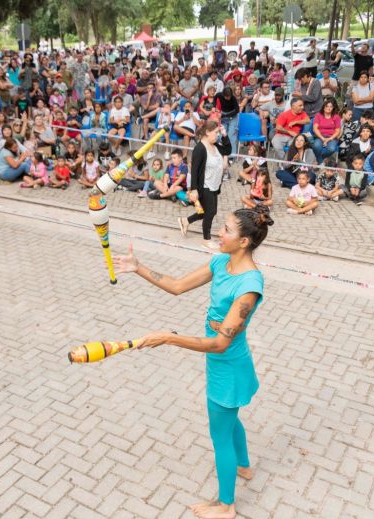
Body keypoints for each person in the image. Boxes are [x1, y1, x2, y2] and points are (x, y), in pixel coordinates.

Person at [114, 205, 273, 519]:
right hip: (221, 364)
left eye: (226, 229)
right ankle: (244, 467)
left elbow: (219, 343)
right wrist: (138, 267)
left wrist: (169, 338)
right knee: (231, 419)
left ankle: (226, 505)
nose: (219, 233)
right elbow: (176, 285)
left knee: (220, 434)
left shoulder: (249, 287)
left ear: (244, 242)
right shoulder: (220, 261)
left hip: (228, 366)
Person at [177, 121, 222, 250]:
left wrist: (225, 135)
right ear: (207, 132)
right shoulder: (199, 148)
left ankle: (185, 221)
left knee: (208, 212)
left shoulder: (215, 145)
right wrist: (194, 189)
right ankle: (206, 239)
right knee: (210, 212)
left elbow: (228, 150)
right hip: (204, 186)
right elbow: (195, 170)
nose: (217, 135)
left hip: (214, 185)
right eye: (216, 132)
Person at [311, 98, 342, 163]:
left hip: (332, 137)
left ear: (333, 108)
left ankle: (320, 158)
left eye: (331, 106)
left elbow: (337, 131)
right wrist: (322, 138)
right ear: (324, 107)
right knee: (316, 146)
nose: (329, 108)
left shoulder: (336, 117)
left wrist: (329, 139)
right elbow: (315, 129)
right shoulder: (318, 115)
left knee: (332, 149)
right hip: (320, 136)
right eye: (327, 106)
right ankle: (321, 162)